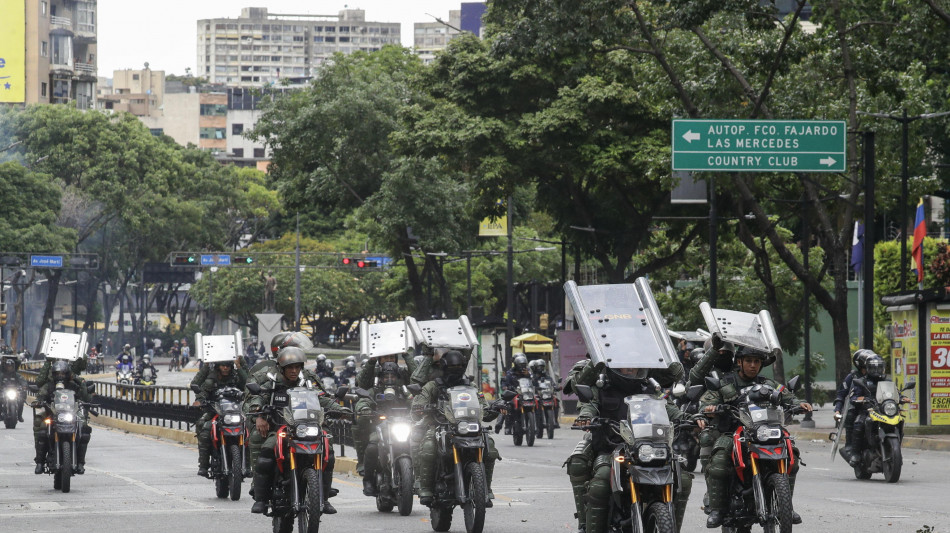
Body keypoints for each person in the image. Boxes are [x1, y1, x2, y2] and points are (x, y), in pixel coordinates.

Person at [565, 357, 696, 533]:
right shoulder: (602, 387)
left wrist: (688, 418)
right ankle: (587, 526)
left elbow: (668, 407)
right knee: (601, 479)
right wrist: (586, 417)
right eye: (625, 363)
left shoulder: (650, 387)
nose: (631, 368)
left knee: (684, 478)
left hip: (647, 447)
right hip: (611, 446)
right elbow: (590, 405)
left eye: (635, 364)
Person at [700, 349, 811, 528]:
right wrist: (710, 408)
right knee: (720, 457)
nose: (753, 365)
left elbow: (787, 397)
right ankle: (717, 509)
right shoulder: (725, 383)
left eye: (757, 362)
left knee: (793, 455)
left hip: (765, 432)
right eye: (749, 361)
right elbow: (706, 402)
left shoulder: (767, 383)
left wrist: (799, 405)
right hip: (734, 432)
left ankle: (786, 507)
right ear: (740, 362)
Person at [246, 346, 351, 515]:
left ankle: (323, 498)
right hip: (281, 427)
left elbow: (322, 399)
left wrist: (342, 412)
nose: (294, 371)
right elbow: (258, 396)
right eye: (290, 368)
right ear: (282, 368)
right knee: (266, 452)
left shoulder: (308, 383)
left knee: (328, 452)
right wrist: (258, 412)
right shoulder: (272, 382)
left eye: (297, 367)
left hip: (306, 426)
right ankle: (261, 498)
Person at [411, 350, 502, 507]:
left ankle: (485, 489)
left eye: (460, 366)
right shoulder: (432, 386)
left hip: (466, 426)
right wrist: (421, 407)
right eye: (453, 366)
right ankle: (425, 488)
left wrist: (495, 409)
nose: (457, 369)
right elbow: (416, 407)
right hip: (440, 425)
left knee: (491, 447)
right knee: (428, 446)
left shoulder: (471, 386)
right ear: (445, 367)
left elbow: (483, 409)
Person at [353, 353, 418, 493]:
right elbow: (364, 400)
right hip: (380, 426)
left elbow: (414, 400)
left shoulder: (404, 389)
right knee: (372, 447)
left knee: (419, 442)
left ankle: (421, 480)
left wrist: (419, 408)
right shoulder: (374, 389)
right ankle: (368, 480)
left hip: (402, 424)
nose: (389, 379)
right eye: (386, 377)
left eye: (392, 377)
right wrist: (364, 409)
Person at [32, 360, 93, 474]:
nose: (60, 376)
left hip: (71, 413)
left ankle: (80, 462)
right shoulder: (49, 385)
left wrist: (80, 382)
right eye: (57, 373)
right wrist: (38, 401)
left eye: (62, 373)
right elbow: (40, 394)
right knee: (42, 428)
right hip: (52, 413)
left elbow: (86, 397)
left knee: (84, 428)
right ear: (54, 374)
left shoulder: (73, 384)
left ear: (67, 373)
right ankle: (40, 462)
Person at [192, 358, 248, 477]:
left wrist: (240, 365)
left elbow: (248, 384)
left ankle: (247, 466)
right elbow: (200, 390)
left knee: (248, 430)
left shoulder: (236, 376)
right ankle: (203, 465)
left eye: (228, 365)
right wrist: (200, 401)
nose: (226, 368)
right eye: (223, 365)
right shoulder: (211, 378)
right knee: (204, 429)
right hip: (215, 411)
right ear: (218, 366)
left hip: (235, 412)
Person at [847, 353, 891, 467]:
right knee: (859, 424)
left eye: (879, 367)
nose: (876, 370)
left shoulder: (887, 381)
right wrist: (859, 399)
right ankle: (855, 454)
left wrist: (901, 398)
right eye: (873, 367)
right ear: (867, 368)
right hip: (867, 410)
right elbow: (853, 396)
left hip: (883, 410)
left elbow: (894, 392)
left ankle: (893, 448)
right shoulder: (862, 381)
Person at [834, 349, 873, 463]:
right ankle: (852, 449)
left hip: (877, 408)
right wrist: (837, 410)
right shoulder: (853, 377)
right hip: (859, 408)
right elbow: (841, 394)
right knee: (854, 419)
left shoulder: (877, 376)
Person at [1, 355, 27, 422]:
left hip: (14, 391)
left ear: (13, 367)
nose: (9, 368)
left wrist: (24, 386)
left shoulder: (16, 375)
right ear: (5, 367)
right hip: (4, 391)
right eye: (8, 366)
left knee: (21, 401)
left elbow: (23, 380)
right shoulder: (2, 375)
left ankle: (19, 415)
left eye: (11, 366)